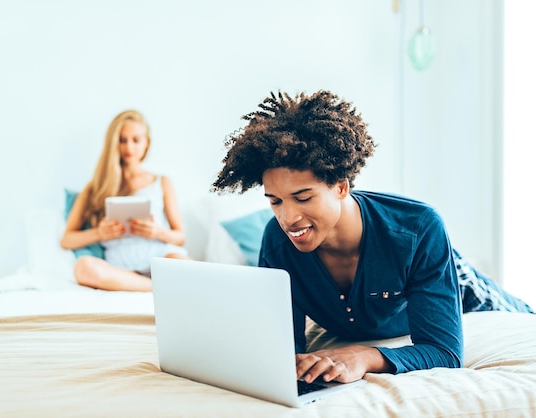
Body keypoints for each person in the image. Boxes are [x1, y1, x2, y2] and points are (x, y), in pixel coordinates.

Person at [211, 90, 533, 386]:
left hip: (460, 286)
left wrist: (364, 356)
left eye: (304, 197)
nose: (287, 218)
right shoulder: (277, 243)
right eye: (275, 201)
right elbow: (285, 348)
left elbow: (444, 352)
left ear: (340, 186)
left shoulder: (418, 227)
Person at [61, 110, 189, 291]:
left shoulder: (162, 182)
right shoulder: (94, 188)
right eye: (122, 140)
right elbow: (67, 240)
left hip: (159, 259)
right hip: (118, 270)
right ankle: (157, 288)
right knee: (84, 268)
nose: (129, 147)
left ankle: (157, 284)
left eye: (136, 140)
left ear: (146, 143)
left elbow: (180, 237)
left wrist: (157, 232)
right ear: (113, 143)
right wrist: (99, 233)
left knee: (189, 267)